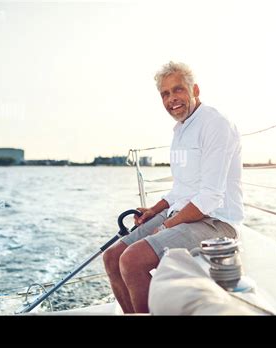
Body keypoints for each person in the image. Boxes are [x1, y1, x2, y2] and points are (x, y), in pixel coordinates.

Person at [103, 61, 244, 313]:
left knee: (132, 260)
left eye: (178, 90)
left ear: (195, 90)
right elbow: (181, 189)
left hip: (216, 222)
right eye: (165, 94)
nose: (172, 99)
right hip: (185, 213)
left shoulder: (215, 124)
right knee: (112, 258)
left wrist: (165, 225)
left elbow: (210, 198)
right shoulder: (180, 130)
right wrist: (153, 211)